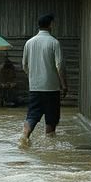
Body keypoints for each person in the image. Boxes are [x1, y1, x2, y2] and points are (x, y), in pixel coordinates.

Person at [21, 13, 66, 144]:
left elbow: (24, 65)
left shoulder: (29, 43)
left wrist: (32, 77)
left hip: (34, 87)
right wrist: (64, 85)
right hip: (51, 88)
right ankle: (49, 147)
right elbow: (59, 66)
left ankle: (24, 136)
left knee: (32, 116)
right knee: (51, 120)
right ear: (51, 24)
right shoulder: (54, 42)